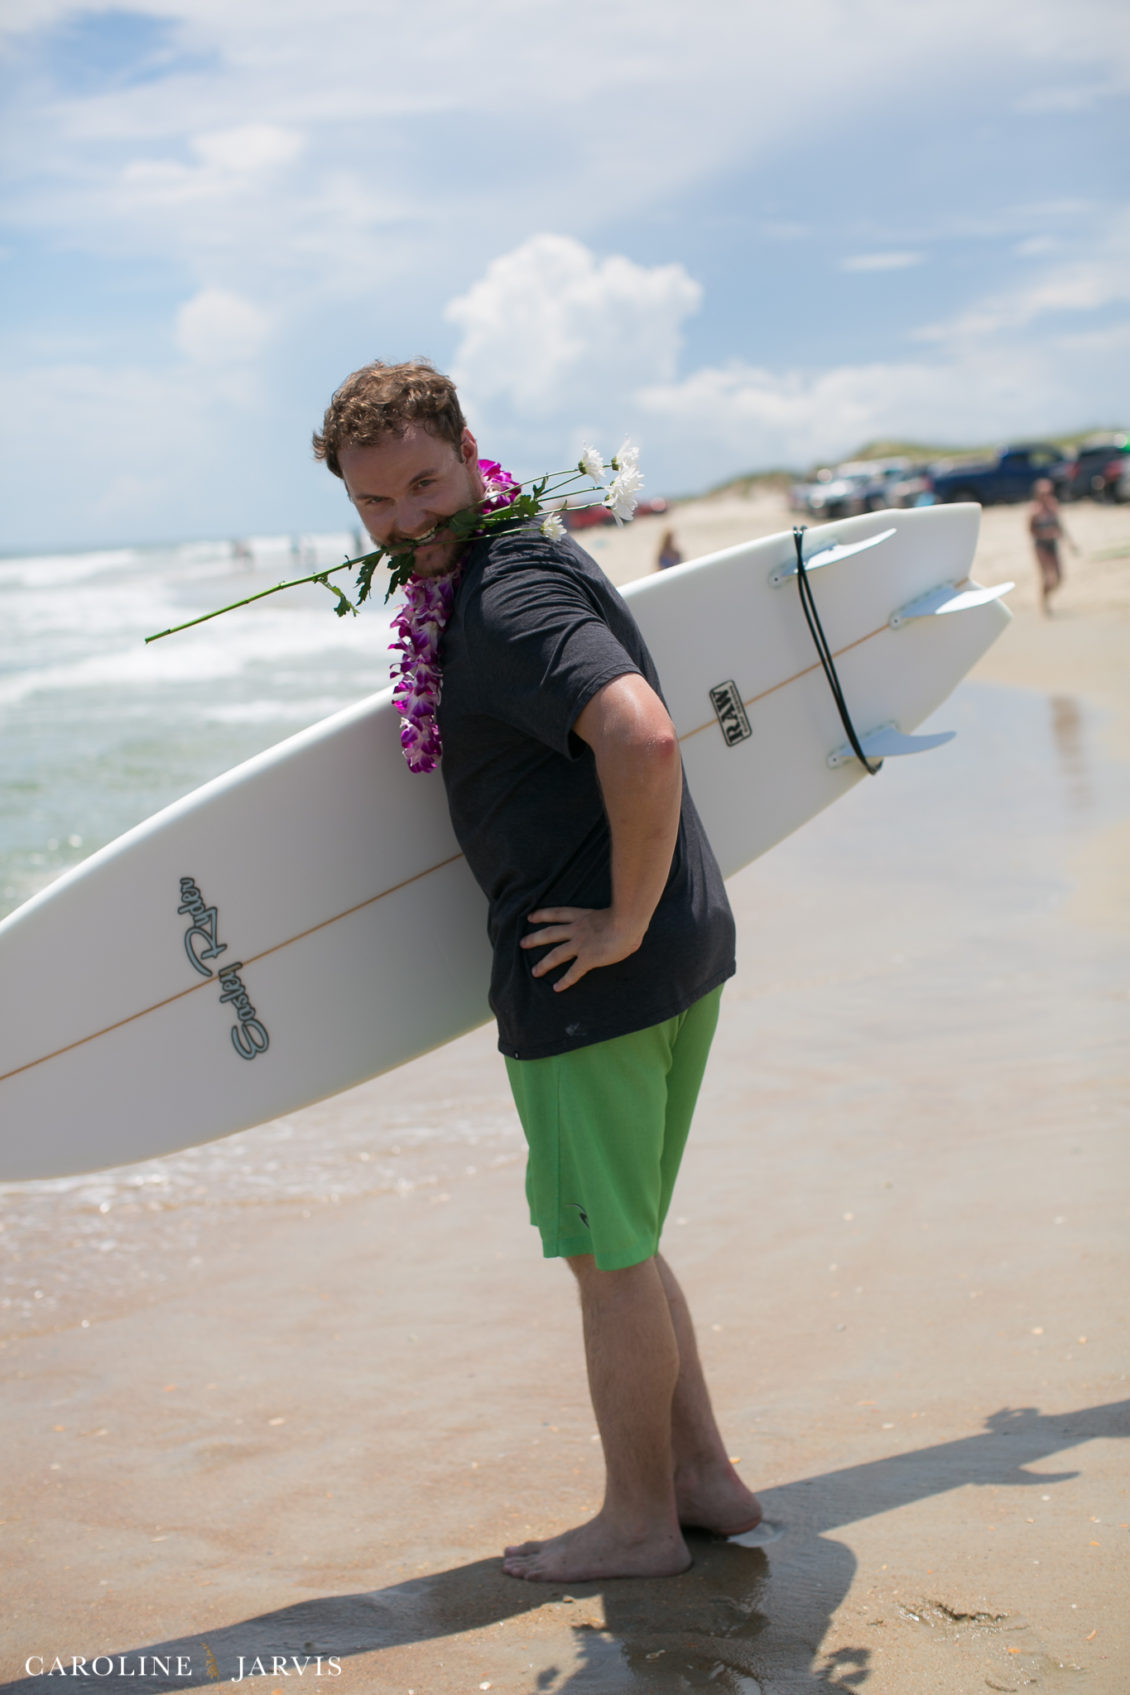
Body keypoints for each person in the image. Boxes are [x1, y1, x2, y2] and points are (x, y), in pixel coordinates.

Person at [313, 360, 762, 1583]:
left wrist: (618, 919)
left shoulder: (502, 597)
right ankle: (702, 1480)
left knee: (604, 1260)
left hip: (589, 980)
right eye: (374, 503)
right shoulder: (532, 551)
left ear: (471, 454)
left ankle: (638, 1523)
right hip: (676, 949)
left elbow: (640, 734)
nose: (405, 521)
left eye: (423, 484)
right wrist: (645, 917)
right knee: (627, 1239)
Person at [1028, 478, 1076, 615]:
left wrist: (1070, 543)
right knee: (1047, 576)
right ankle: (1044, 602)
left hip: (1052, 543)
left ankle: (1046, 596)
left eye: (1049, 492)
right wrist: (1045, 534)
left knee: (1059, 577)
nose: (1047, 496)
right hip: (1041, 545)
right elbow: (1031, 531)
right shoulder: (1034, 511)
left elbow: (1060, 526)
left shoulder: (1053, 506)